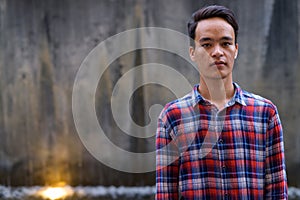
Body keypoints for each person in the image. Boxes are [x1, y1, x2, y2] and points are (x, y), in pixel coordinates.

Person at [155, 5, 288, 199]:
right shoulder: (172, 117)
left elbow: (277, 191)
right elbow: (165, 193)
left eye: (225, 43)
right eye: (207, 44)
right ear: (192, 52)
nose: (217, 52)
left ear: (236, 50)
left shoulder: (265, 113)